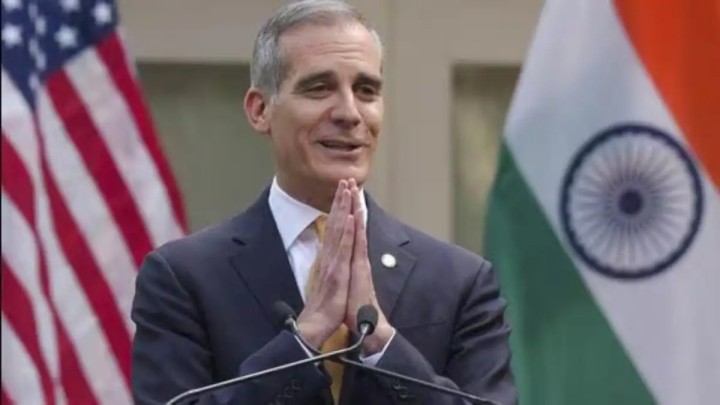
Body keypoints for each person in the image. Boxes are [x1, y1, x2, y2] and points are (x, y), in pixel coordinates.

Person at [130, 1, 517, 404]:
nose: (350, 113)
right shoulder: (183, 278)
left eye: (366, 91)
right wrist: (306, 337)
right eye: (319, 88)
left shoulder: (460, 282)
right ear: (260, 110)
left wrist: (381, 344)